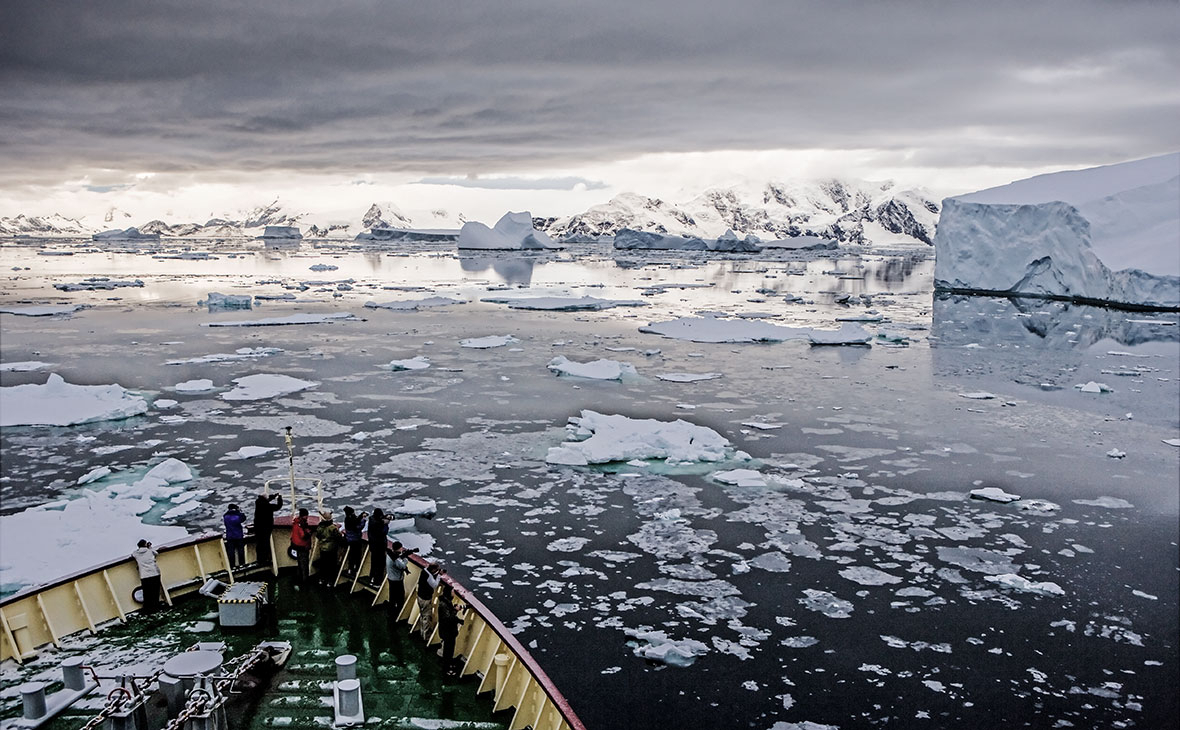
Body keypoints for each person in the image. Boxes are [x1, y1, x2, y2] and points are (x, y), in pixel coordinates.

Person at [436, 583, 464, 676]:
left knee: (449, 650)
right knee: (448, 651)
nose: (453, 593)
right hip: (448, 632)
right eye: (452, 591)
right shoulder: (444, 605)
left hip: (448, 631)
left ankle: (448, 664)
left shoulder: (446, 603)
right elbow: (448, 619)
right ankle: (446, 668)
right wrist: (455, 610)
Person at [384, 541, 417, 620]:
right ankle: (398, 612)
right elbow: (402, 565)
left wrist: (401, 555)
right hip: (396, 580)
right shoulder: (395, 559)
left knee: (392, 595)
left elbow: (398, 559)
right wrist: (405, 557)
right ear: (398, 548)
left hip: (391, 578)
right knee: (399, 596)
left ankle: (391, 611)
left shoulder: (390, 554)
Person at [253, 492, 283, 569]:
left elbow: (266, 499)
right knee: (265, 543)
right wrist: (280, 499)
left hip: (258, 526)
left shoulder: (258, 503)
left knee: (259, 544)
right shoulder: (268, 506)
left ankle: (259, 560)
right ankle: (265, 559)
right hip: (266, 527)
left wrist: (273, 496)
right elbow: (278, 507)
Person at [414, 562, 443, 640]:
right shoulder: (429, 576)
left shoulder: (424, 571)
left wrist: (436, 574)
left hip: (420, 596)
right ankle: (425, 636)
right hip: (425, 599)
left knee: (422, 614)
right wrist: (439, 575)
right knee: (426, 616)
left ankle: (421, 631)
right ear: (433, 569)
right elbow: (434, 585)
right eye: (436, 570)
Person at [132, 539, 162, 614]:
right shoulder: (150, 551)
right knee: (155, 591)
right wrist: (150, 547)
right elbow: (156, 553)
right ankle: (155, 607)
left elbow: (133, 554)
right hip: (154, 573)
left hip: (144, 576)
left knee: (147, 593)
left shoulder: (136, 554)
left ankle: (147, 609)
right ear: (146, 545)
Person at [314, 510, 342, 586]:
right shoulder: (332, 528)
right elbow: (338, 537)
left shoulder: (320, 527)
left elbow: (317, 535)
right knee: (331, 565)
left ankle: (322, 579)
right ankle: (330, 581)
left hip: (323, 548)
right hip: (332, 549)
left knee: (323, 564)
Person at [366, 508, 390, 585]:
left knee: (374, 564)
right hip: (379, 547)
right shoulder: (377, 524)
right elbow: (383, 532)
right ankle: (377, 582)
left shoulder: (372, 520)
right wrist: (386, 524)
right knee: (380, 565)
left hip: (373, 546)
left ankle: (371, 579)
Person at [342, 506, 366, 577]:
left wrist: (360, 516)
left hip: (349, 539)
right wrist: (363, 520)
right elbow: (358, 527)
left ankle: (350, 568)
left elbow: (355, 520)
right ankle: (356, 569)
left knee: (351, 555)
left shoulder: (347, 519)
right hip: (356, 540)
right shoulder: (352, 521)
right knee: (357, 555)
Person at [290, 508, 313, 582]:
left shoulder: (296, 522)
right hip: (302, 546)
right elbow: (303, 536)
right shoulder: (301, 524)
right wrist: (309, 533)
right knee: (304, 564)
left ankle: (299, 577)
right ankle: (305, 580)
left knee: (300, 562)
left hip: (297, 545)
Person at [223, 503, 247, 568]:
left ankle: (232, 565)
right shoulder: (237, 516)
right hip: (238, 536)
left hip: (230, 536)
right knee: (240, 550)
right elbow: (243, 518)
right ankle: (242, 564)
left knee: (231, 552)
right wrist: (239, 511)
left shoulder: (226, 516)